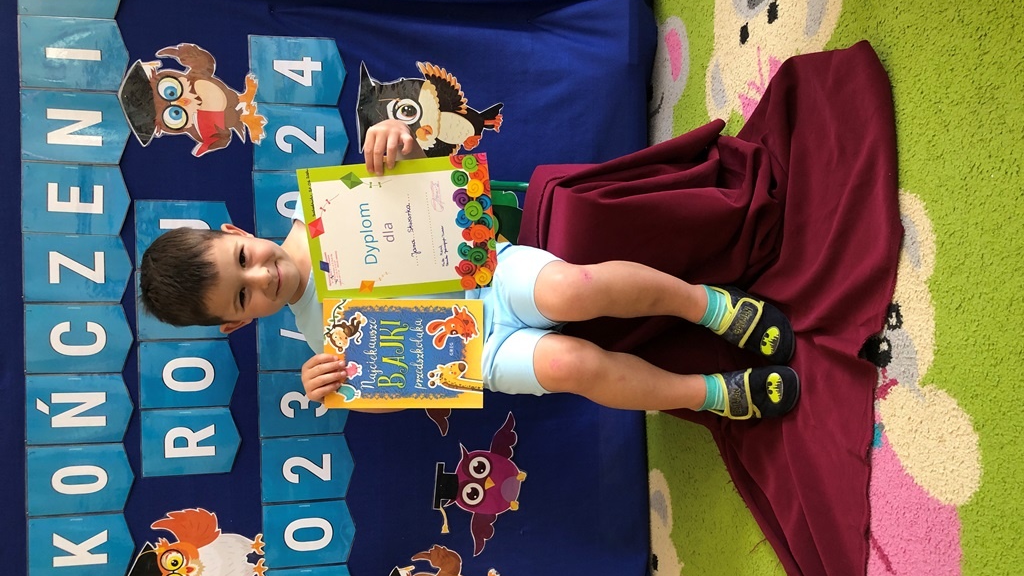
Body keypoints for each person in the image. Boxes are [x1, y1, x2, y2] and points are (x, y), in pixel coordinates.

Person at [139, 120, 800, 419]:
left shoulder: (334, 201)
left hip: (489, 273)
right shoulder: (322, 345)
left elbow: (424, 167)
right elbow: (394, 383)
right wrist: (334, 385)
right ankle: (708, 394)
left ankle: (708, 305)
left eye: (244, 261)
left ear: (237, 233)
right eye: (243, 298)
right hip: (473, 351)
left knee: (570, 289)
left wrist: (397, 141)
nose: (261, 279)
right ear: (237, 325)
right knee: (569, 366)